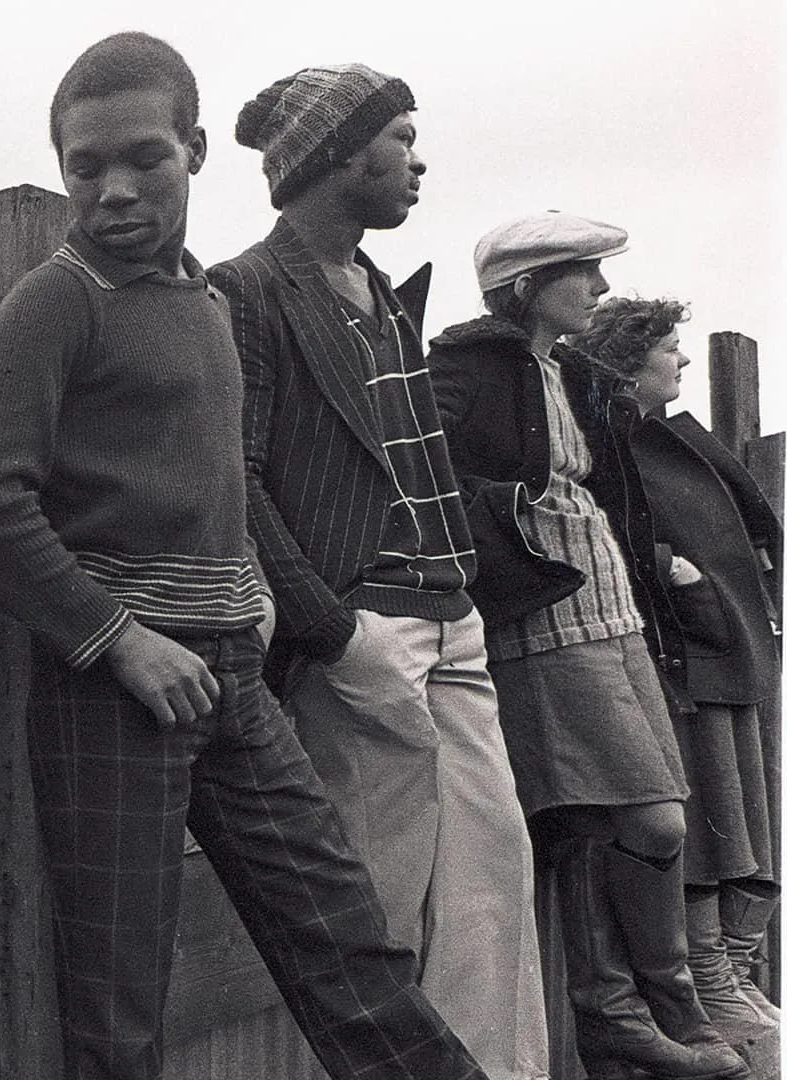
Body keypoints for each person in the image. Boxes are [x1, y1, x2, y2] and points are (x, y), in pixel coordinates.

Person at [0, 31, 486, 1080]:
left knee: (350, 947)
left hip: (235, 679)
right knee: (119, 1004)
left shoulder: (211, 306)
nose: (113, 190)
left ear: (193, 150)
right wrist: (122, 644)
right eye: (84, 167)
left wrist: (253, 587)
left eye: (144, 158)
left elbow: (213, 474)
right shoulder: (57, 302)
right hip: (115, 688)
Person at [207, 64, 547, 1080]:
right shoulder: (250, 290)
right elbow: (238, 472)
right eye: (399, 136)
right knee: (375, 913)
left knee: (495, 886)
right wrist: (328, 625)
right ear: (330, 155)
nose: (417, 157)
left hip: (453, 622)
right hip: (363, 635)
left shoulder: (389, 300)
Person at [425, 212, 747, 1080]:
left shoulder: (569, 371)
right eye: (585, 274)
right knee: (647, 813)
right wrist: (507, 517)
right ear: (530, 285)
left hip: (613, 608)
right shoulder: (470, 363)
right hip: (542, 614)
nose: (601, 292)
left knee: (596, 821)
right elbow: (426, 469)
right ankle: (649, 1006)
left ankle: (628, 1016)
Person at [567, 297, 781, 1047]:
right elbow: (603, 527)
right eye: (669, 348)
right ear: (629, 360)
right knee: (706, 823)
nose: (683, 360)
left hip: (729, 646)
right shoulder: (605, 435)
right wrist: (677, 575)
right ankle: (710, 985)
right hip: (680, 650)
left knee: (745, 820)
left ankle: (736, 973)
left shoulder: (661, 434)